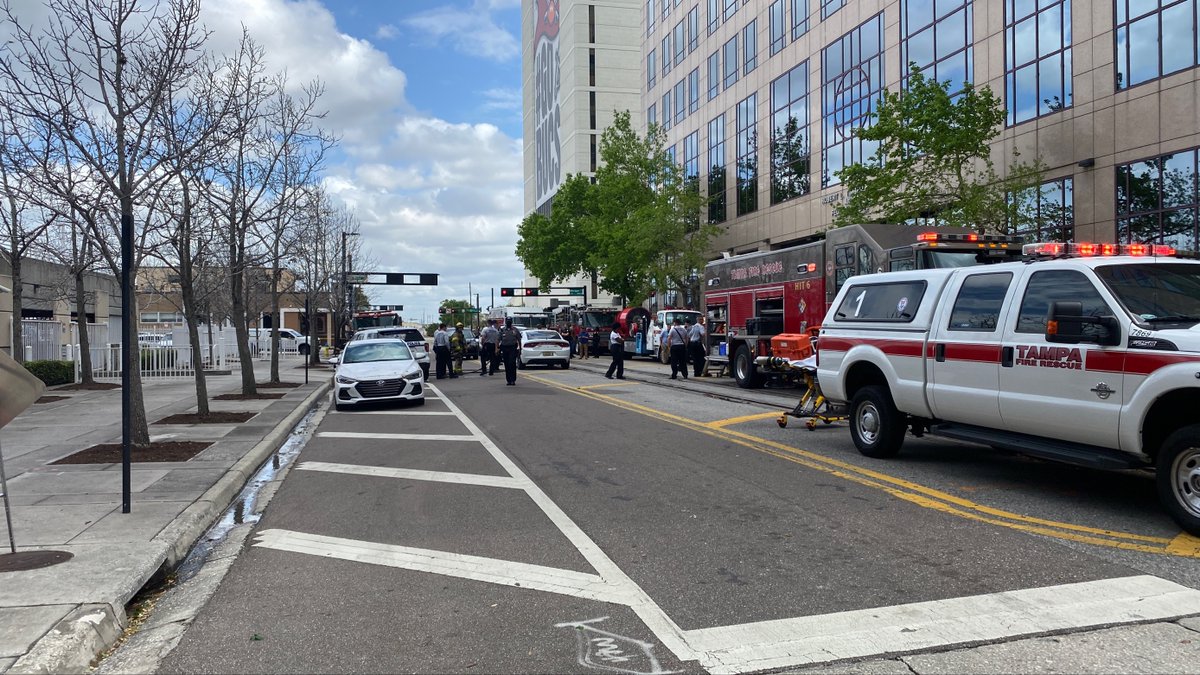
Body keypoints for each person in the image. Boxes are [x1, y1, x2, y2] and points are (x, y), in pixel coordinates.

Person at [498, 318, 522, 385]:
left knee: (512, 363)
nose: (508, 322)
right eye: (507, 321)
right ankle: (508, 380)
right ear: (506, 322)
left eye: (510, 321)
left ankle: (513, 379)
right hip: (505, 348)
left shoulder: (515, 330)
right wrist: (497, 348)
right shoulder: (502, 330)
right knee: (507, 364)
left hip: (513, 348)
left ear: (511, 322)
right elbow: (498, 339)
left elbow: (519, 339)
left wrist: (520, 349)